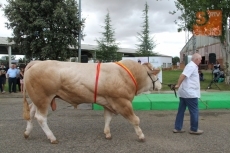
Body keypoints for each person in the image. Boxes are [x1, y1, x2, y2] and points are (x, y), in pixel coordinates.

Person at [173, 53, 203, 135]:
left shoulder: (191, 65)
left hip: (185, 92)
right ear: (196, 59)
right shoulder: (191, 66)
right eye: (200, 59)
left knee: (181, 111)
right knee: (194, 111)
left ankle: (177, 127)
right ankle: (194, 129)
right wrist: (178, 84)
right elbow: (183, 75)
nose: (201, 61)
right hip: (190, 93)